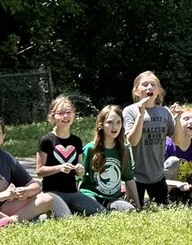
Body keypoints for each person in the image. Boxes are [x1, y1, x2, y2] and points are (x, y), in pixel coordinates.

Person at [36, 97, 104, 216]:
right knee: (65, 217)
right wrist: (59, 168)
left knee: (101, 212)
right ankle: (47, 212)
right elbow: (39, 171)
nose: (65, 116)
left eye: (68, 112)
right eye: (60, 113)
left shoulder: (76, 141)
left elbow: (80, 172)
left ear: (74, 114)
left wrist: (80, 170)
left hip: (73, 192)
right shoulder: (46, 140)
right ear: (52, 116)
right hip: (52, 192)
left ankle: (68, 208)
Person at [123, 71, 172, 207]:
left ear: (158, 90)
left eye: (153, 85)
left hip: (158, 175)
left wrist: (179, 119)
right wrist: (140, 114)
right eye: (144, 85)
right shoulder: (130, 111)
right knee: (135, 209)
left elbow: (177, 140)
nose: (149, 87)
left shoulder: (164, 112)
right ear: (136, 91)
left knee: (163, 209)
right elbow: (133, 141)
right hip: (136, 175)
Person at [80, 105, 141, 212]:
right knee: (95, 212)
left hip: (113, 199)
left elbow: (129, 178)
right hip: (91, 195)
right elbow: (79, 176)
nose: (115, 127)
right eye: (110, 122)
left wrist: (138, 205)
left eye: (118, 122)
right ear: (101, 125)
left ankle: (107, 209)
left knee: (129, 210)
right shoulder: (90, 148)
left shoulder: (124, 149)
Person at [164, 105, 192, 202]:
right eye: (186, 119)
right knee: (173, 161)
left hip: (187, 188)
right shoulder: (168, 145)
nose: (191, 122)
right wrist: (176, 183)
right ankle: (164, 199)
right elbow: (156, 177)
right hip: (167, 186)